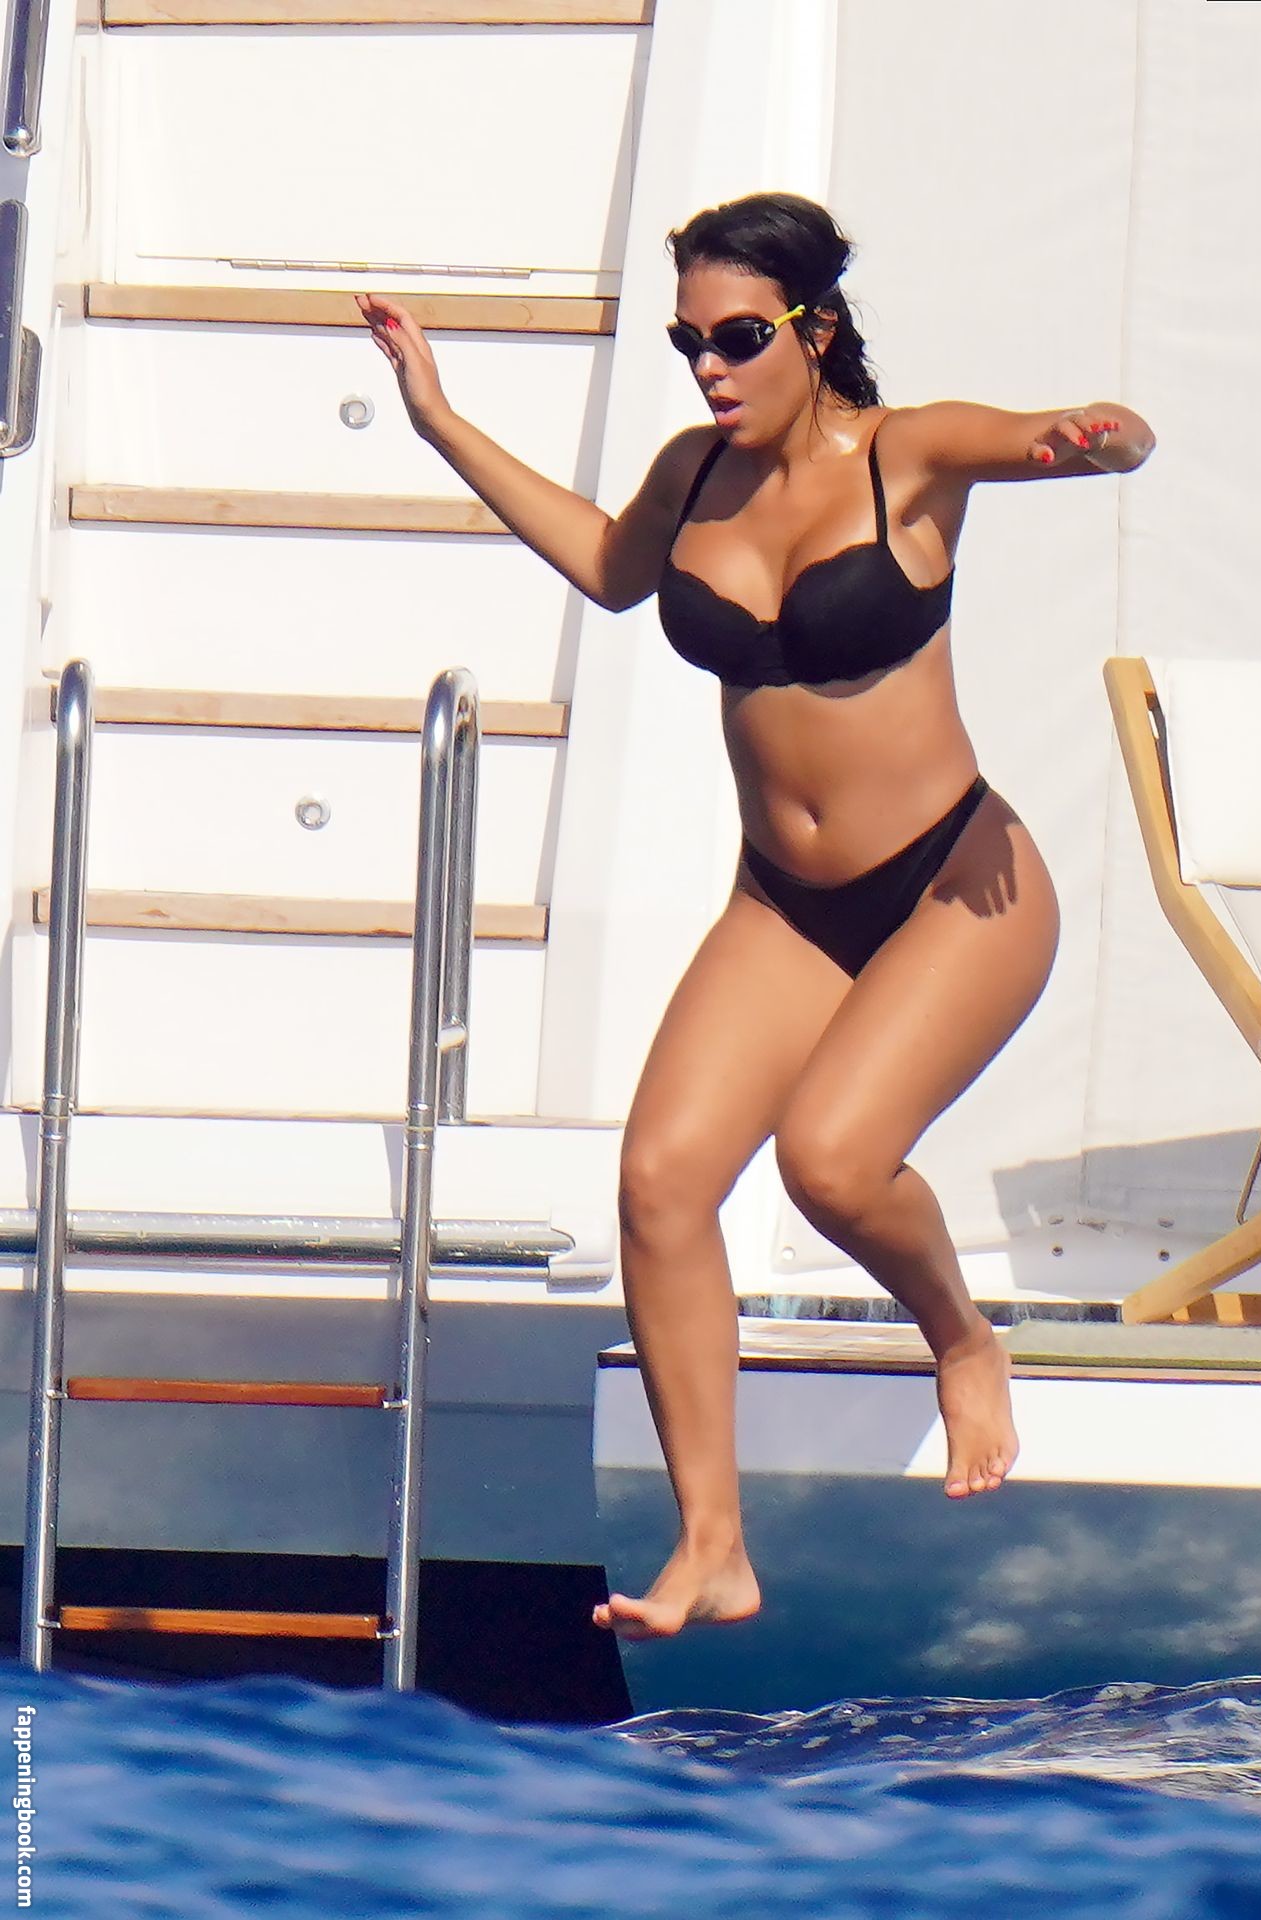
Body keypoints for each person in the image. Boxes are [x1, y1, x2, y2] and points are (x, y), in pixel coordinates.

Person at [356, 191, 1156, 1644]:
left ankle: (960, 1340)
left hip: (956, 882)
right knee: (661, 1181)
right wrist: (439, 422)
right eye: (689, 344)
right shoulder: (693, 475)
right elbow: (609, 570)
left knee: (830, 1164)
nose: (710, 368)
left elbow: (1073, 436)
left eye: (735, 338)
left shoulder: (907, 456)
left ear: (814, 329)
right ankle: (712, 1546)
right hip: (783, 901)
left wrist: (1097, 438)